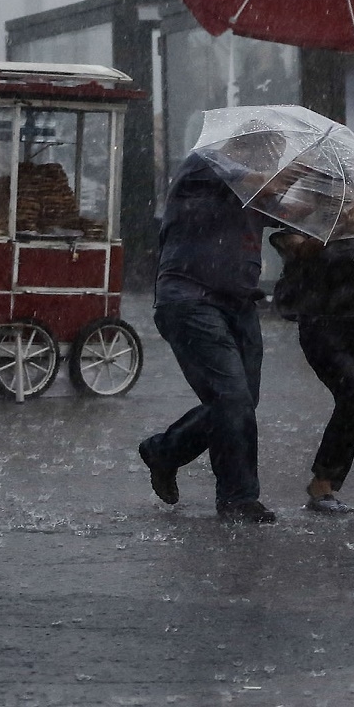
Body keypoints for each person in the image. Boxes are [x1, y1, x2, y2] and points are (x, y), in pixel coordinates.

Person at [138, 142, 285, 523]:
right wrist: (303, 170)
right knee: (231, 397)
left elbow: (289, 210)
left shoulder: (252, 185)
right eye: (271, 152)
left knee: (239, 401)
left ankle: (166, 451)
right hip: (191, 299)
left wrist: (344, 205)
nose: (273, 159)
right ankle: (238, 499)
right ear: (246, 144)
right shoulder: (210, 162)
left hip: (239, 303)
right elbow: (264, 186)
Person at [270, 227, 354, 515]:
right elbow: (301, 252)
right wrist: (339, 226)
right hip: (321, 325)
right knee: (353, 395)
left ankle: (324, 482)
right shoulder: (299, 228)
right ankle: (323, 482)